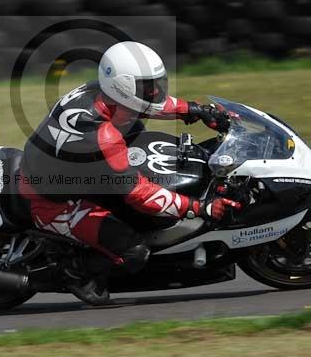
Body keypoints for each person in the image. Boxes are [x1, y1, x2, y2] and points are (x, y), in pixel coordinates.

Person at [18, 41, 241, 305]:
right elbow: (137, 193)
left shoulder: (99, 90)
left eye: (158, 82)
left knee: (139, 137)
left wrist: (195, 110)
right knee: (135, 251)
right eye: (149, 85)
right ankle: (75, 272)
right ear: (124, 85)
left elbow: (149, 103)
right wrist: (198, 207)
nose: (157, 90)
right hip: (51, 202)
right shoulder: (102, 135)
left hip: (68, 170)